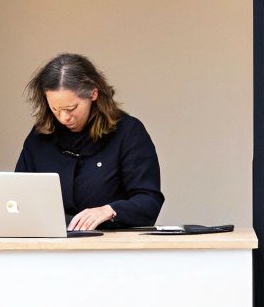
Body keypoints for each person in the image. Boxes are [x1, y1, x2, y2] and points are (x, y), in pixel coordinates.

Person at [14, 53, 164, 230]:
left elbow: (149, 201)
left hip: (110, 248)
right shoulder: (39, 137)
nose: (63, 118)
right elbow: (17, 194)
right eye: (55, 109)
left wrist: (110, 210)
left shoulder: (128, 132)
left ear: (93, 94)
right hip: (50, 247)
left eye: (71, 108)